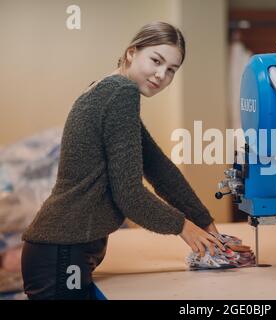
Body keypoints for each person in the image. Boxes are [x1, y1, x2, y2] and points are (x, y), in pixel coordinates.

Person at [21, 22, 225, 300]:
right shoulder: (120, 92)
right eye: (156, 61)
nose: (161, 75)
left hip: (61, 251)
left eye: (171, 70)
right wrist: (185, 228)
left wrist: (204, 222)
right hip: (62, 252)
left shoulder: (108, 89)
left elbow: (158, 168)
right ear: (131, 53)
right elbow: (129, 195)